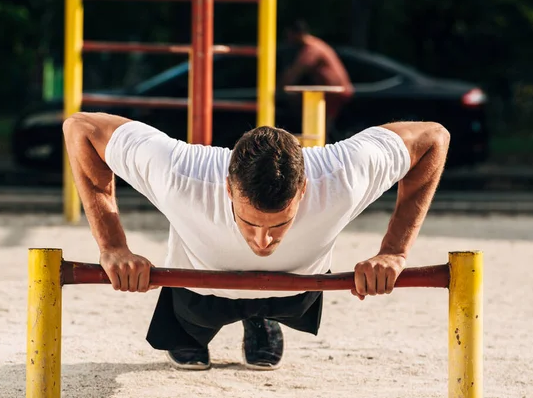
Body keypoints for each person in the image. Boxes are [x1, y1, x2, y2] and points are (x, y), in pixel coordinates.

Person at [63, 111, 449, 371]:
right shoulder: (180, 172)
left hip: (294, 292)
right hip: (199, 288)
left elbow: (433, 138)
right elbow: (79, 127)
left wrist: (394, 252)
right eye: (249, 222)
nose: (263, 241)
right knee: (185, 337)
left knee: (275, 299)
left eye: (280, 225)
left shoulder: (341, 175)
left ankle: (261, 319)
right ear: (228, 189)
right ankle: (197, 331)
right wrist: (112, 245)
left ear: (302, 189)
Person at [278, 20, 355, 141]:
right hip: (334, 91)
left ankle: (319, 147)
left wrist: (278, 87)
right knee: (323, 126)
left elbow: (296, 70)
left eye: (289, 35)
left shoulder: (312, 49)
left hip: (335, 92)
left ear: (297, 34)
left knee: (320, 126)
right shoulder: (317, 45)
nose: (288, 39)